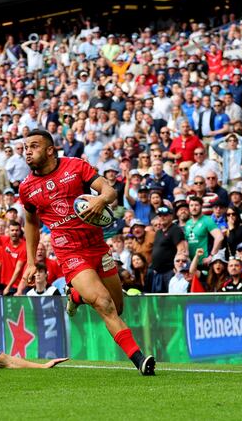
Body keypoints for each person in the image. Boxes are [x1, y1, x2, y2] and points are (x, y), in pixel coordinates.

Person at [19, 129, 155, 376]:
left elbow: (110, 191)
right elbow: (30, 222)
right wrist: (30, 262)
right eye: (25, 147)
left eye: (34, 146)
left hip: (97, 246)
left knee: (116, 306)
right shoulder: (27, 188)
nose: (27, 151)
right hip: (69, 252)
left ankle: (77, 297)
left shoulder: (76, 166)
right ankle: (140, 359)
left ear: (50, 150)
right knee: (104, 304)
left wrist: (101, 200)